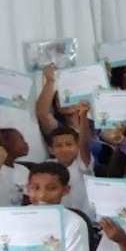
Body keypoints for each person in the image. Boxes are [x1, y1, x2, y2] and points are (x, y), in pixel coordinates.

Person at [34, 71, 94, 212]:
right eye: (60, 99)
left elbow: (85, 145)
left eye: (69, 144)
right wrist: (50, 81)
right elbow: (42, 113)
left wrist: (83, 115)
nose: (64, 149)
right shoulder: (58, 129)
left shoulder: (92, 125)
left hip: (84, 211)